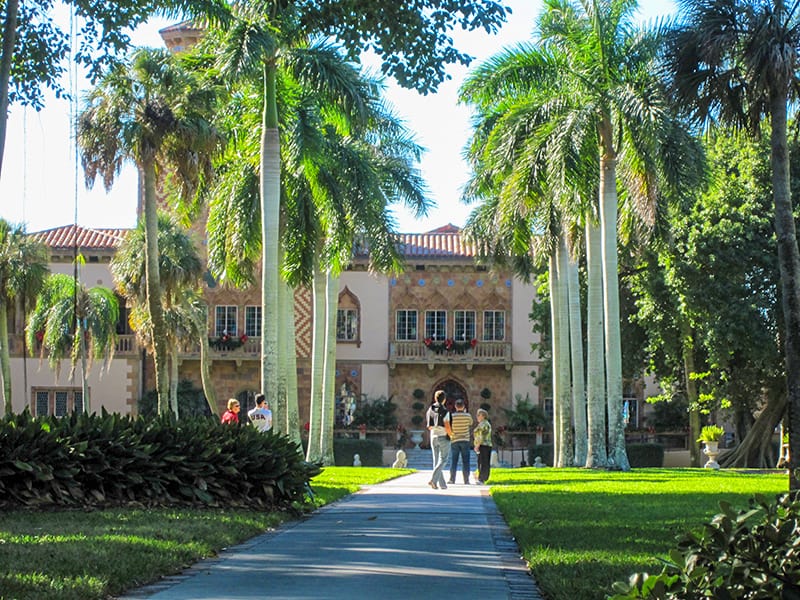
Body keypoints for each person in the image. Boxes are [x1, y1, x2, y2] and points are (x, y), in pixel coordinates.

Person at [426, 390, 452, 490]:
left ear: (435, 398)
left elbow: (429, 426)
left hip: (433, 436)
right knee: (444, 459)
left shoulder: (430, 410)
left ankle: (441, 484)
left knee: (436, 460)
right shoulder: (445, 411)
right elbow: (447, 426)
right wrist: (451, 436)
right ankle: (433, 480)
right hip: (443, 436)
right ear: (444, 399)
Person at [448, 398, 474, 484]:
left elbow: (449, 426)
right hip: (465, 440)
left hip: (455, 440)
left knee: (454, 460)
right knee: (466, 461)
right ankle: (466, 480)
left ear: (455, 406)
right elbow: (471, 423)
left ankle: (452, 479)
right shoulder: (467, 416)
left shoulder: (452, 416)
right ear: (463, 406)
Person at [473, 408, 492, 484]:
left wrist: (477, 446)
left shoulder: (484, 424)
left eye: (479, 415)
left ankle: (482, 479)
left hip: (484, 445)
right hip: (485, 445)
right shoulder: (483, 423)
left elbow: (481, 436)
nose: (477, 416)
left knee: (482, 462)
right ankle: (482, 478)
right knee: (483, 462)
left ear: (483, 416)